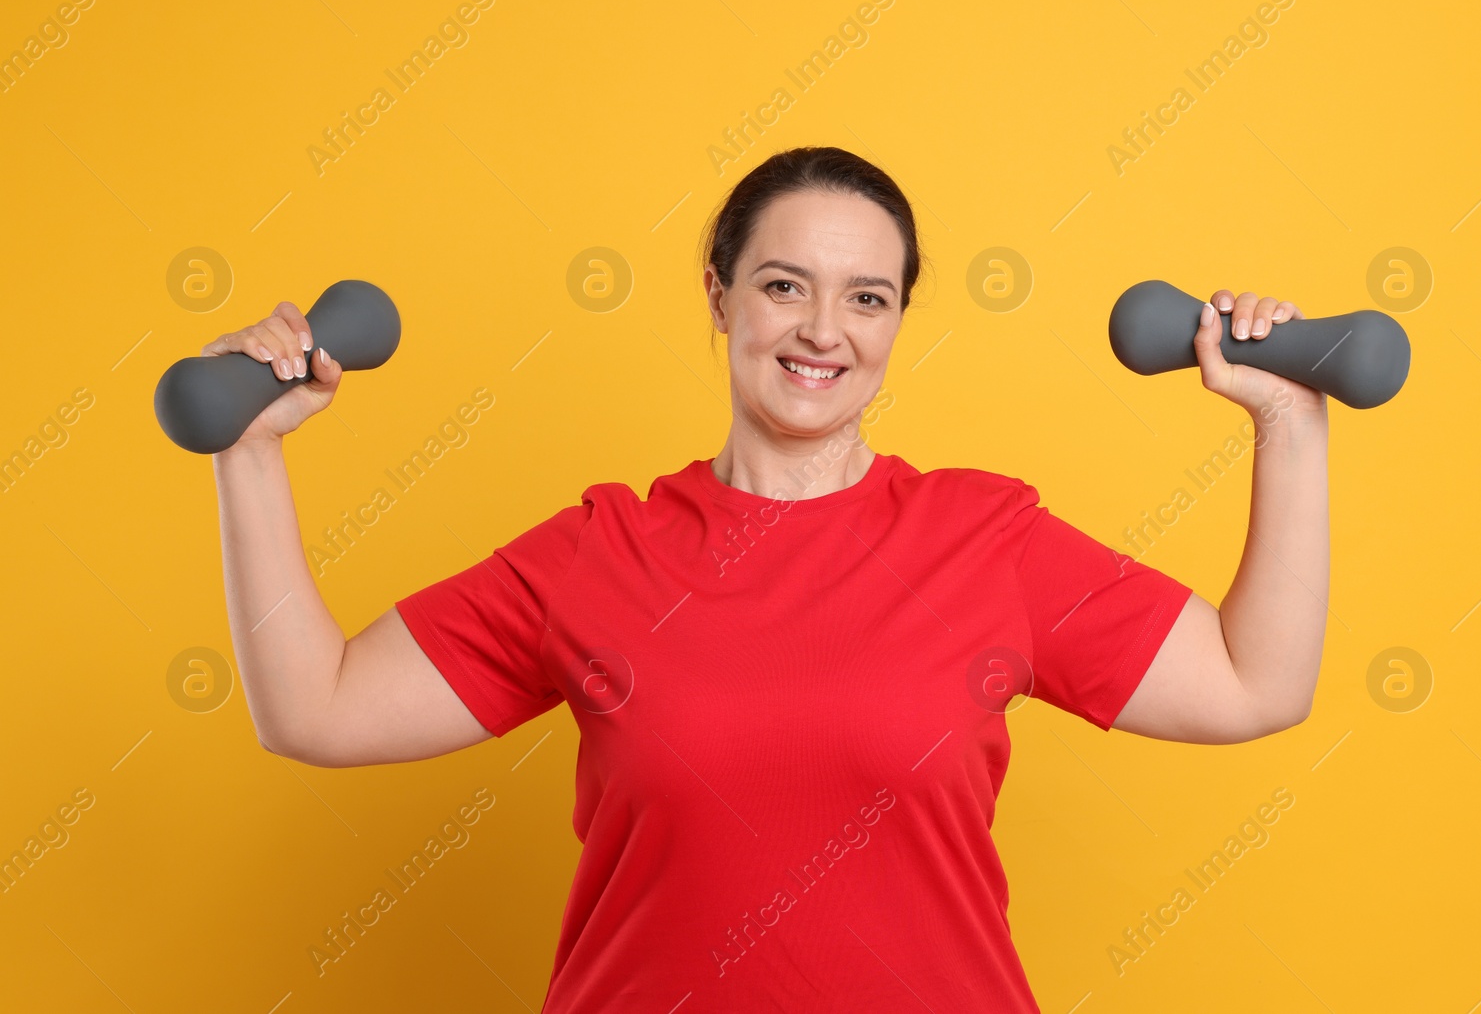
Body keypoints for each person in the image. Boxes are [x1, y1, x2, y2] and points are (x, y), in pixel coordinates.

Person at [207, 145, 1329, 1011]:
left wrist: (1288, 419)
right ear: (719, 293)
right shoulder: (604, 547)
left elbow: (1253, 683)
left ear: (897, 319)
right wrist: (248, 453)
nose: (823, 331)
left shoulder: (983, 535)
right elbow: (316, 705)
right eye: (785, 285)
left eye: (867, 297)